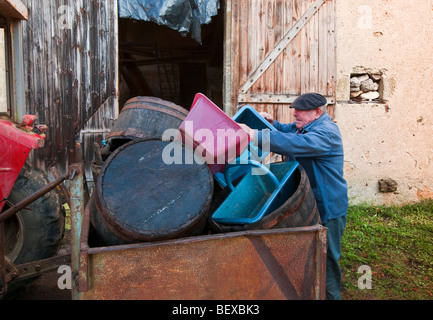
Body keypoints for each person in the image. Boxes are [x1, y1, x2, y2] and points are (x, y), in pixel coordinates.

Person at [239, 93, 348, 300]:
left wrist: (255, 135)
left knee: (327, 260)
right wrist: (271, 123)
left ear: (317, 112)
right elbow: (287, 131)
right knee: (309, 255)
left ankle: (331, 296)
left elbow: (294, 143)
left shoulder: (325, 133)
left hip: (329, 208)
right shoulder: (307, 126)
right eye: (294, 110)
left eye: (301, 111)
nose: (295, 114)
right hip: (309, 203)